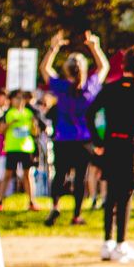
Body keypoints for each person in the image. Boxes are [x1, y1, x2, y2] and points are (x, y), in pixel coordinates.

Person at [40, 30, 107, 229]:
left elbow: (44, 69)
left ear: (67, 70)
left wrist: (53, 48)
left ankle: (55, 205)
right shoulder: (90, 87)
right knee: (80, 177)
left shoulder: (61, 87)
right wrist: (95, 47)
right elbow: (104, 67)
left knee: (59, 174)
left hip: (63, 138)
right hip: (84, 139)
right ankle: (76, 214)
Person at [94, 46, 134, 261]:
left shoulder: (110, 89)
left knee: (111, 193)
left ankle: (107, 242)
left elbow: (90, 112)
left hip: (112, 145)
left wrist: (99, 141)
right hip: (132, 147)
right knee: (126, 195)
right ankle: (121, 243)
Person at [0, 91, 42, 205]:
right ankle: (0, 201)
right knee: (8, 175)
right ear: (11, 100)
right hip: (12, 148)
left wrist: (34, 125)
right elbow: (0, 130)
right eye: (17, 98)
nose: (19, 100)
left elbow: (35, 132)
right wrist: (11, 123)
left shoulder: (28, 113)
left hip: (27, 148)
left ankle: (31, 202)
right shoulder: (8, 113)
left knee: (27, 175)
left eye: (21, 98)